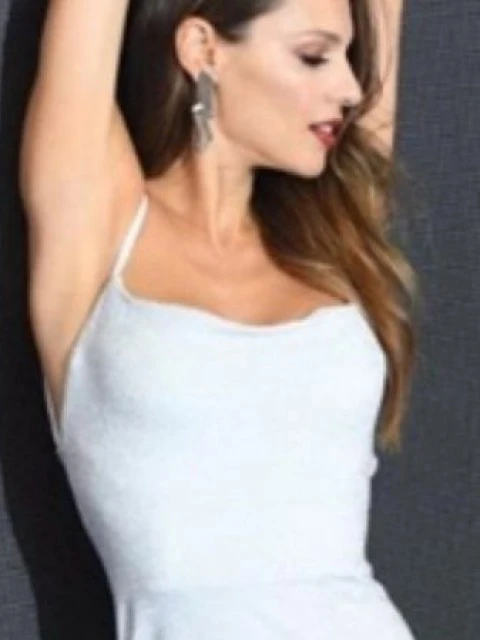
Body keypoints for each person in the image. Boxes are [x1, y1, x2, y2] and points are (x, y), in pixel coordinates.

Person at [19, 0, 418, 638]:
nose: (350, 88)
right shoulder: (99, 230)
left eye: (348, 56)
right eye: (313, 56)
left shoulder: (336, 237)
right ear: (203, 49)